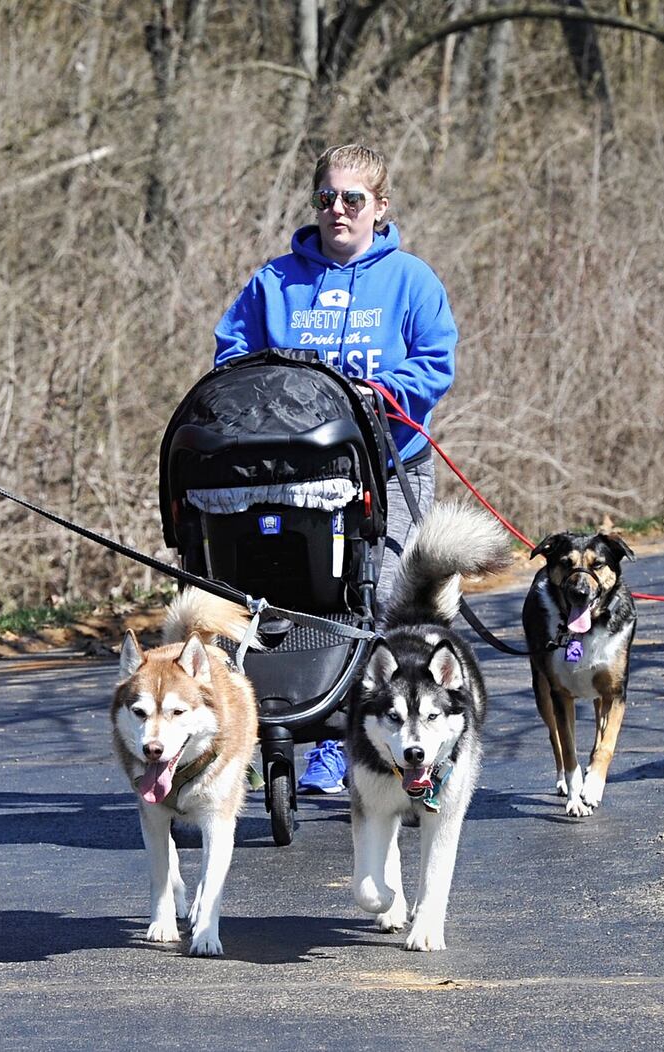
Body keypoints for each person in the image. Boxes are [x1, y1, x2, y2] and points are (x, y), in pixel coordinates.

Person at [214, 143, 458, 794]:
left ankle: (391, 736)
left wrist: (386, 391)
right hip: (297, 476)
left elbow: (436, 363)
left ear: (380, 207)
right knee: (303, 600)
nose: (338, 210)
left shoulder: (411, 280)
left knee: (385, 601)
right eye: (327, 198)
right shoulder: (275, 283)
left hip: (390, 467)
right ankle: (312, 733)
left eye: (353, 199)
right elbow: (231, 355)